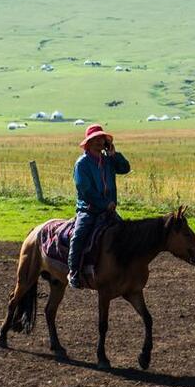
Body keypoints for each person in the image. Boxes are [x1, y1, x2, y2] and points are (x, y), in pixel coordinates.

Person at [68, 124, 131, 289]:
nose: (99, 141)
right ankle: (74, 272)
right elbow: (85, 190)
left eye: (102, 138)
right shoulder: (82, 164)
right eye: (95, 139)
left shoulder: (108, 160)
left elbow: (125, 168)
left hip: (108, 210)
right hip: (88, 210)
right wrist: (104, 203)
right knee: (79, 235)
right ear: (88, 143)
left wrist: (114, 155)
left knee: (125, 234)